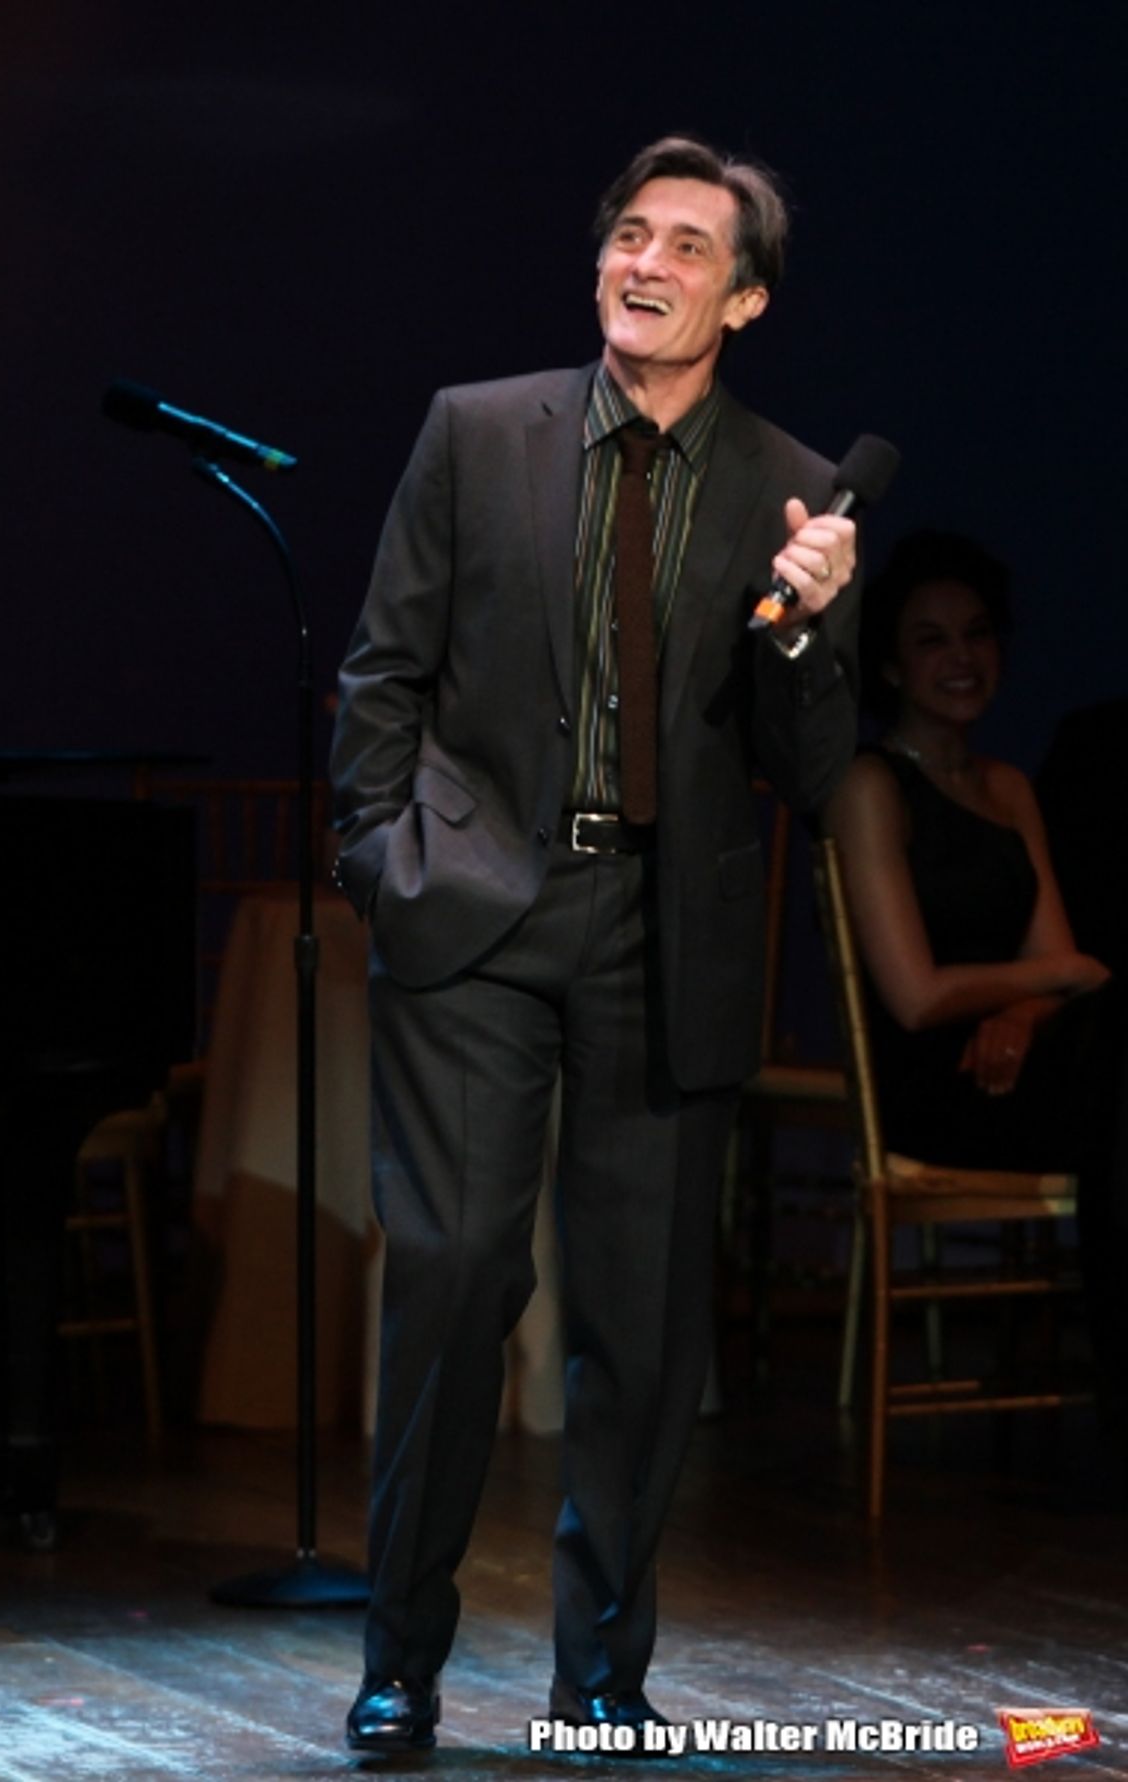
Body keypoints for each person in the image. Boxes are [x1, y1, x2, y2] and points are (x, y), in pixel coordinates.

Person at [330, 135, 860, 1753]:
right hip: (480, 905)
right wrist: (383, 856)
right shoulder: (477, 430)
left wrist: (812, 629)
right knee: (455, 1274)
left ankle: (603, 1681)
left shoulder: (796, 486)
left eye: (689, 246)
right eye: (632, 234)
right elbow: (384, 668)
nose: (647, 262)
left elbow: (810, 770)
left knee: (640, 1323)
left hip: (661, 929)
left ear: (744, 299)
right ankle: (400, 1657)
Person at [824, 531, 1127, 1448]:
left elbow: (1063, 971)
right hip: (943, 1082)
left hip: (1021, 1060)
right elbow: (915, 996)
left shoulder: (1008, 787)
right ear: (890, 665)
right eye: (932, 640)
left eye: (978, 634)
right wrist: (1049, 983)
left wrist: (1029, 1010)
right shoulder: (871, 784)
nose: (962, 657)